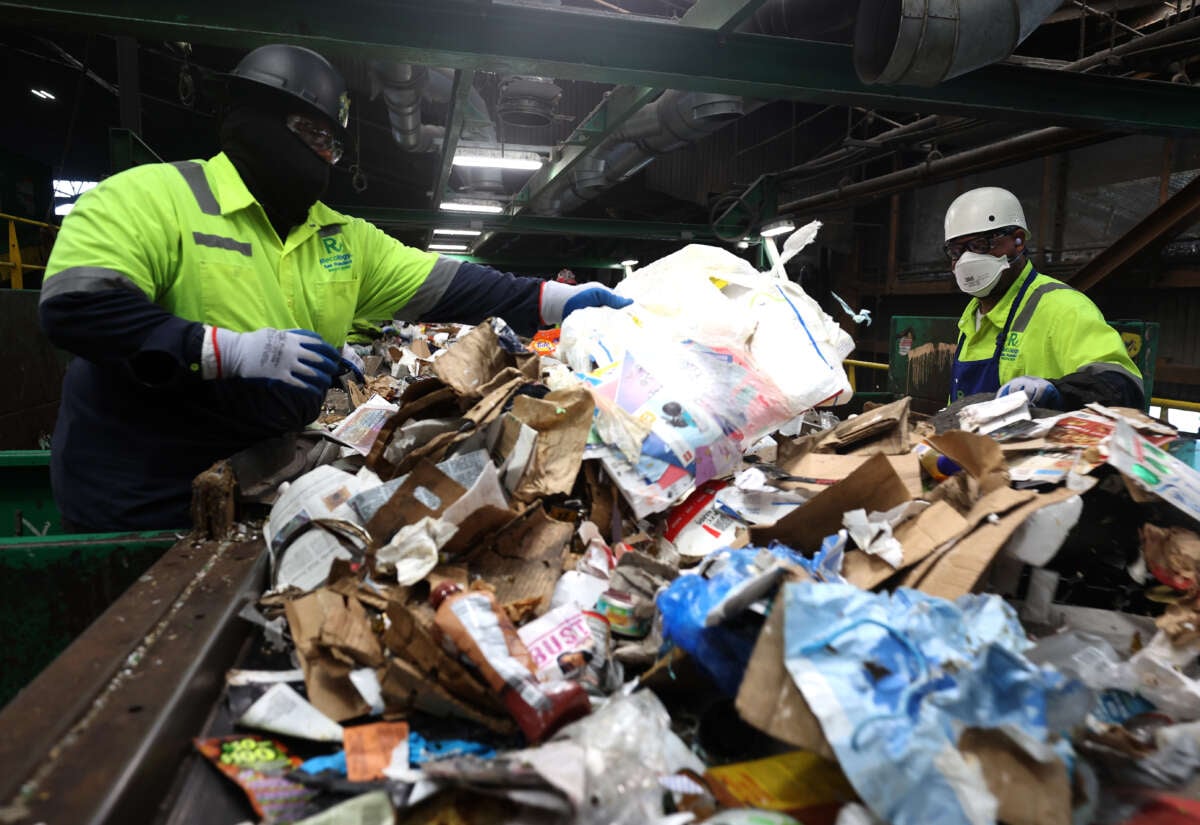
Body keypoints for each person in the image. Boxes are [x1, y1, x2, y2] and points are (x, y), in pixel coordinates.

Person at [39, 44, 630, 532]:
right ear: (252, 118)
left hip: (255, 475)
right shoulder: (151, 197)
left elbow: (457, 285)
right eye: (308, 133)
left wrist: (561, 300)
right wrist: (231, 352)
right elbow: (77, 309)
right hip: (135, 491)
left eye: (333, 144)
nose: (322, 155)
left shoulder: (341, 238)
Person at [944, 186, 1143, 410]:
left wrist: (1060, 393)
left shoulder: (1064, 307)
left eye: (979, 245)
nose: (965, 260)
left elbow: (1123, 389)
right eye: (956, 252)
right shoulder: (971, 317)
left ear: (1018, 240)